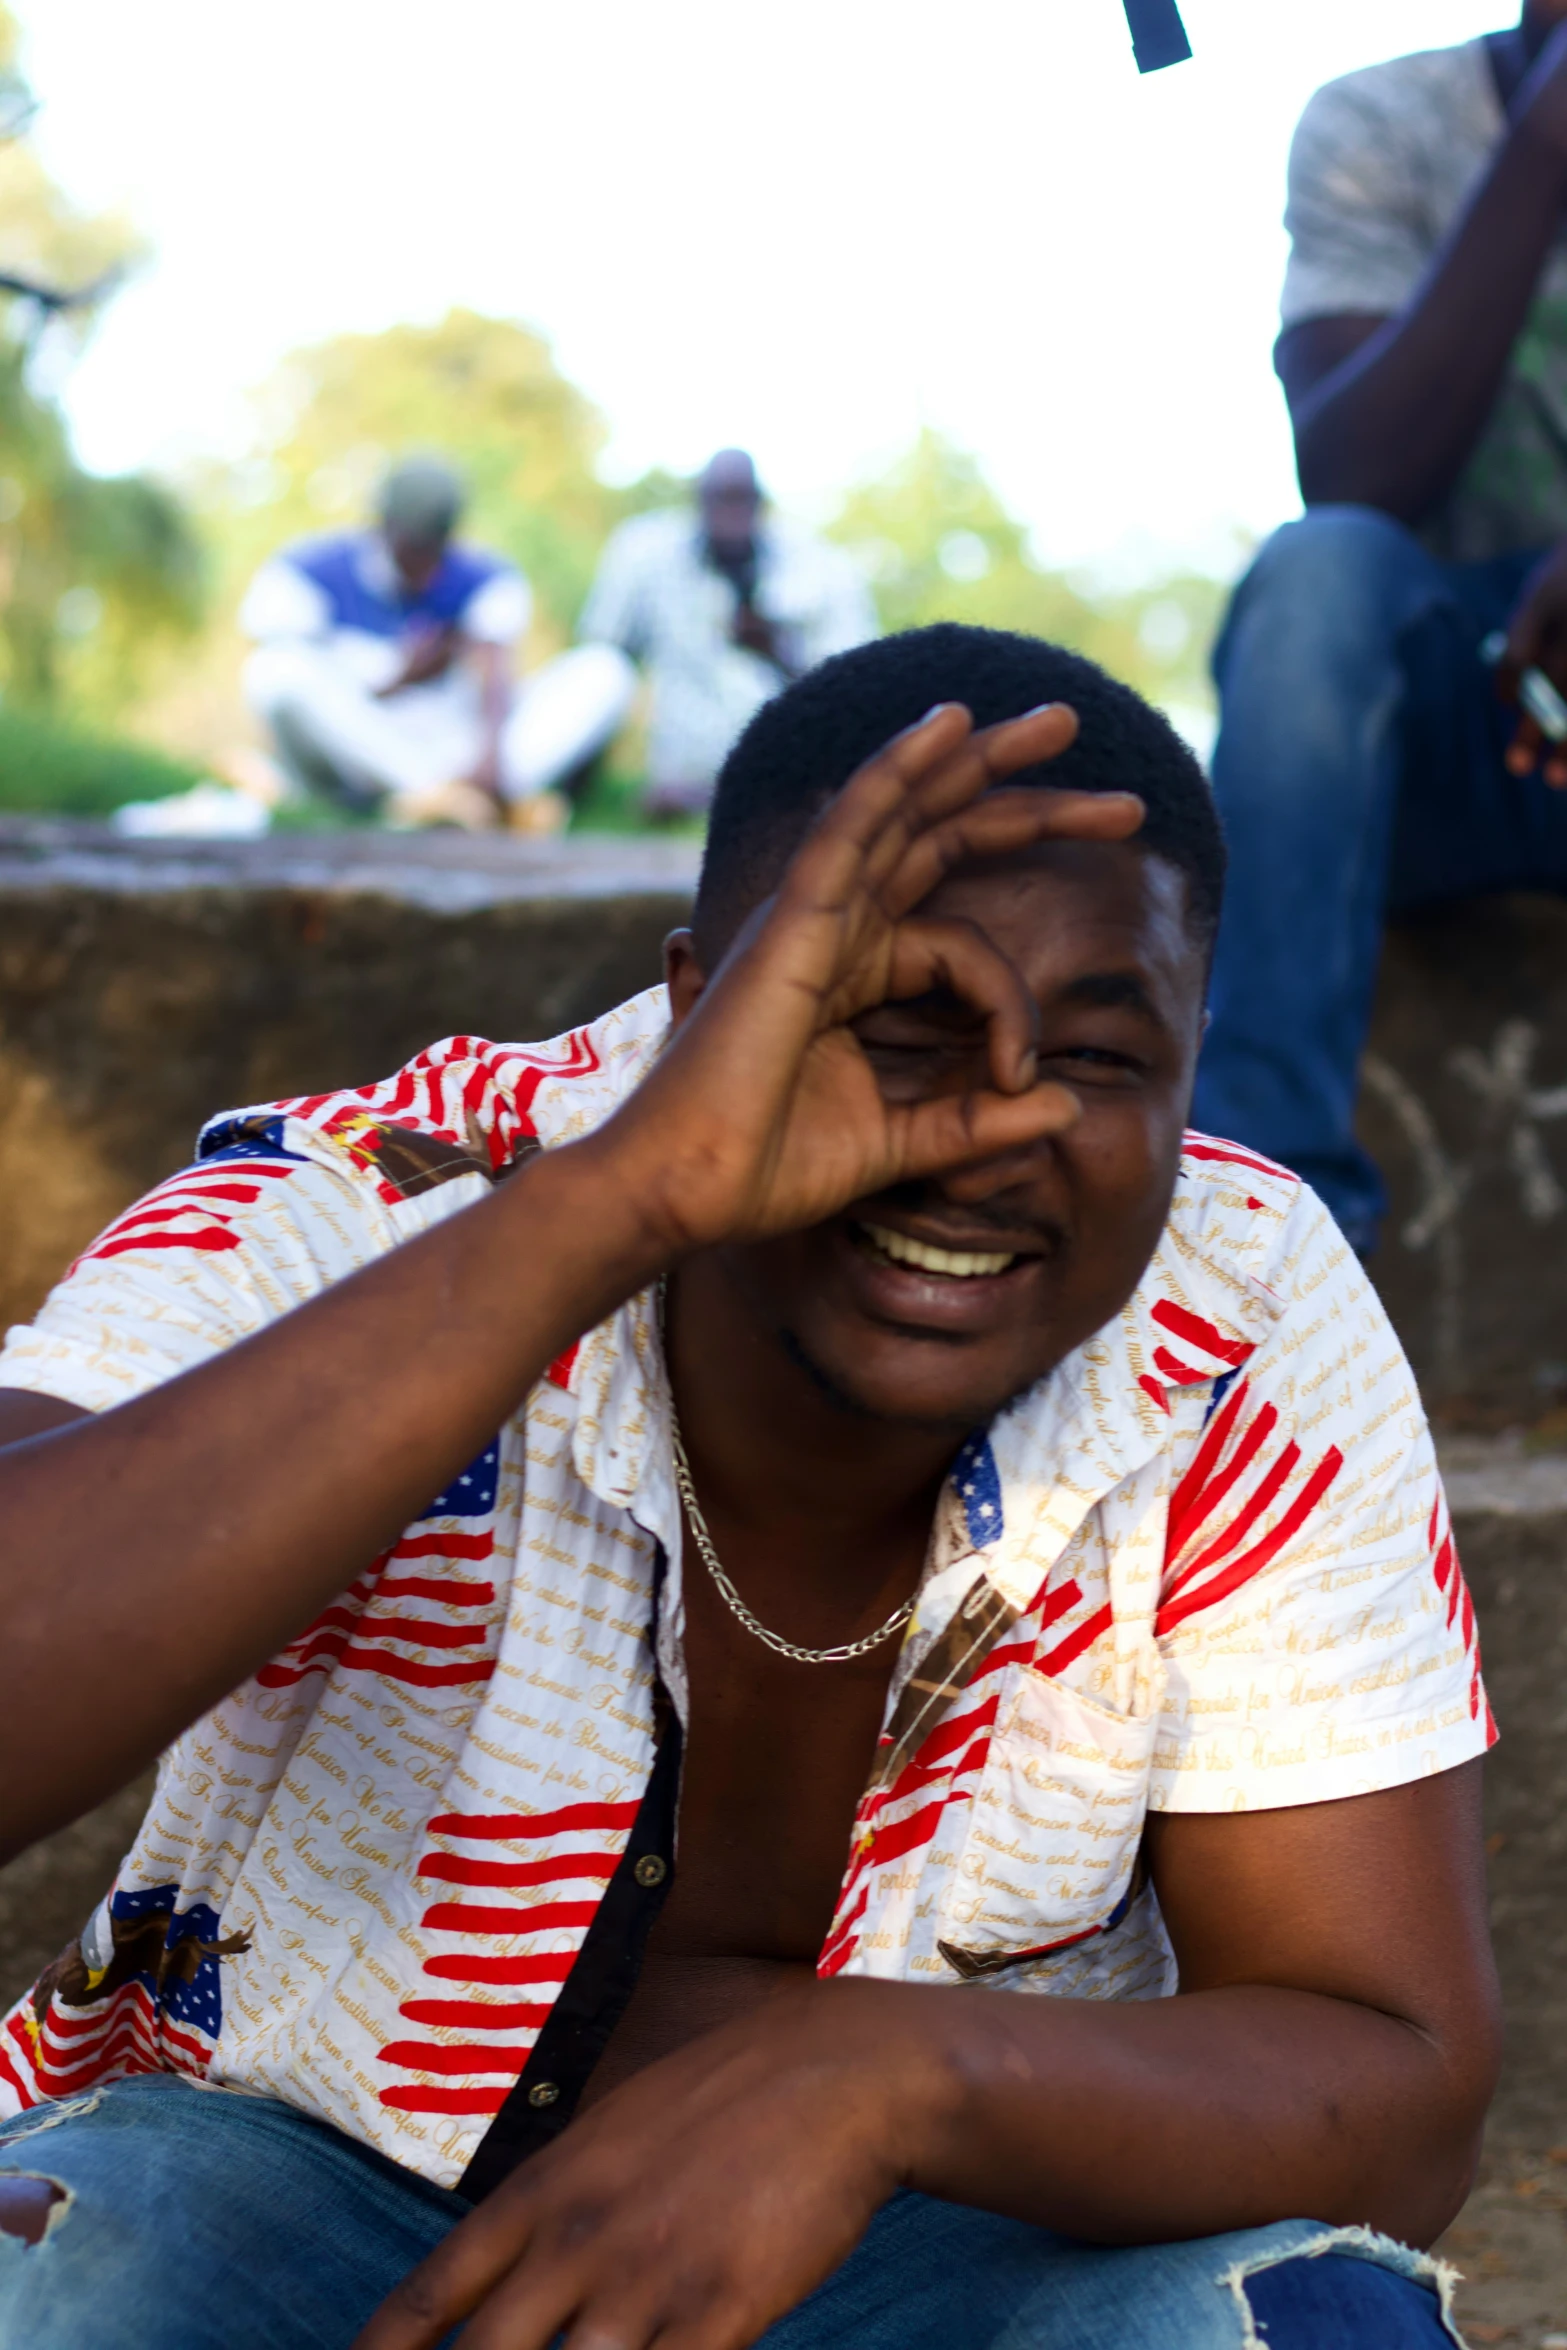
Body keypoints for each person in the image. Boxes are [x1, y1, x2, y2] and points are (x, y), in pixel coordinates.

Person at [0, 625, 1496, 2350]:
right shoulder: (373, 1200)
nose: (987, 1130)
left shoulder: (1232, 1300)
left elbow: (1398, 2078)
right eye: (889, 1029)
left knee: (1304, 2330)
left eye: (1094, 1058)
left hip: (939, 2244)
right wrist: (628, 1195)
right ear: (694, 1005)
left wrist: (884, 2081)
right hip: (270, 2205)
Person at [1194, 0, 1567, 1254]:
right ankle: (1259, 1253)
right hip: (1435, 735)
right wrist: (1543, 143)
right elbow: (1352, 471)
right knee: (1319, 575)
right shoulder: (1382, 121)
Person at [241, 454, 631, 832]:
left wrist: (491, 757)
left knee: (606, 670)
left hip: (460, 750)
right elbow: (309, 700)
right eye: (414, 550)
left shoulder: (483, 577)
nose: (426, 569)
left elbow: (498, 679)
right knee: (274, 667)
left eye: (436, 549)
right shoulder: (308, 571)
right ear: (382, 526)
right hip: (360, 763)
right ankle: (440, 798)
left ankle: (470, 797)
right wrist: (402, 680)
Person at [578, 447, 877, 819]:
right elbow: (600, 664)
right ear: (695, 503)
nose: (729, 516)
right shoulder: (646, 554)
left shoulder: (822, 568)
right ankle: (572, 802)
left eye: (741, 500)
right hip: (680, 776)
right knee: (597, 672)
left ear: (762, 505)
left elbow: (858, 701)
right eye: (719, 499)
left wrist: (778, 654)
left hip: (787, 776)